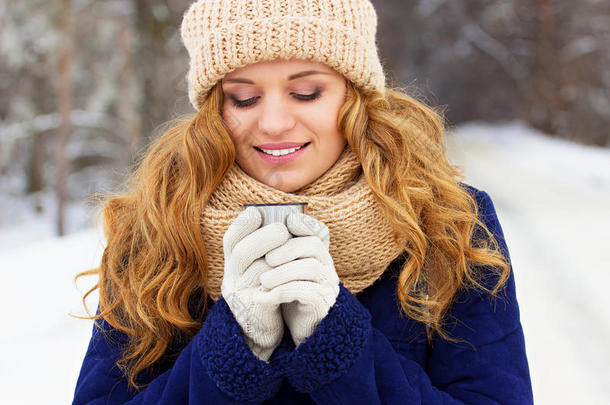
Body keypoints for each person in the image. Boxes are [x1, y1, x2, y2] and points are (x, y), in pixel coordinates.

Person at [72, 0, 533, 403]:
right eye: (244, 97)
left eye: (306, 92)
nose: (273, 123)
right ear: (213, 109)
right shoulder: (154, 226)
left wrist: (338, 344)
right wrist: (233, 348)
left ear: (353, 95)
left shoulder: (449, 221)